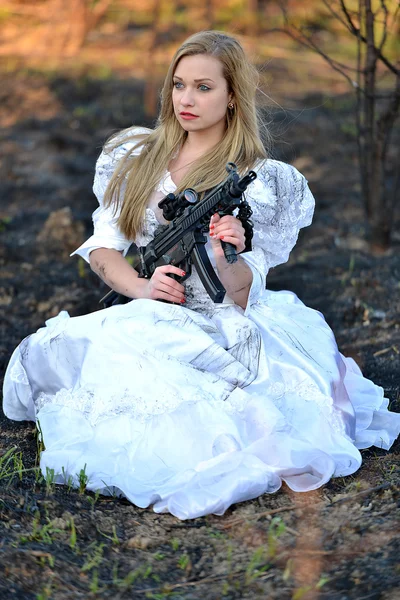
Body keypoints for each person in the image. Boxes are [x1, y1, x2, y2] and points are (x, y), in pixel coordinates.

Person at [3, 31, 399, 520]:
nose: (186, 100)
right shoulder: (136, 157)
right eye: (179, 85)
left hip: (224, 323)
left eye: (204, 88)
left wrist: (227, 249)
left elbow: (239, 294)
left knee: (220, 419)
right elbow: (104, 248)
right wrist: (143, 288)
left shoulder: (261, 179)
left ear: (233, 96)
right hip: (149, 312)